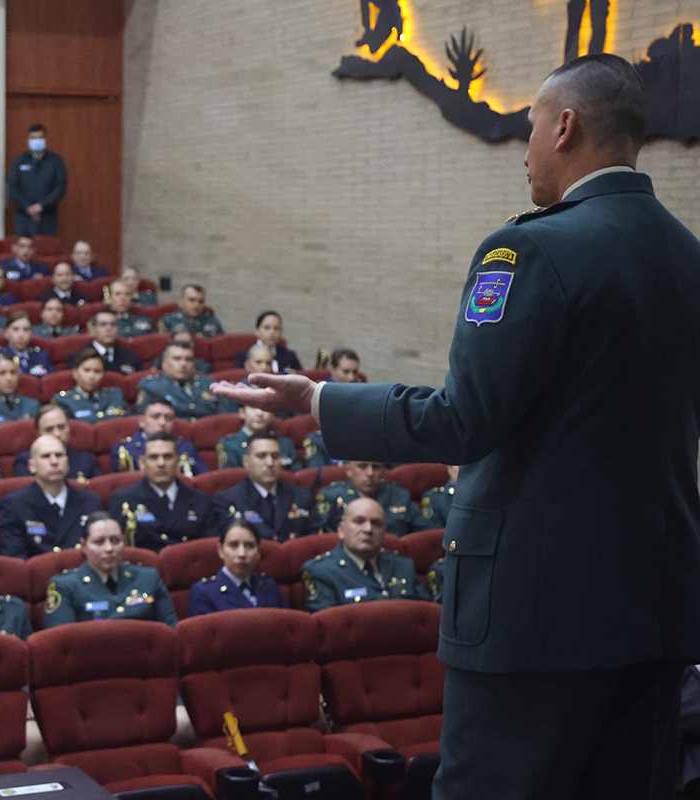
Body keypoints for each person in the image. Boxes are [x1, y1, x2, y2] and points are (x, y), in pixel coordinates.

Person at [213, 54, 700, 800]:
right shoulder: (685, 256)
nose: (526, 149)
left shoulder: (528, 248)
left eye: (530, 127)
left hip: (534, 621)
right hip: (655, 612)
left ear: (565, 125)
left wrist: (319, 402)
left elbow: (463, 419)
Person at [43, 511, 176, 627]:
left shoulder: (148, 577)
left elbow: (172, 630)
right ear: (84, 546)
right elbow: (62, 643)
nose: (109, 549)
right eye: (99, 542)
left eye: (115, 540)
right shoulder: (66, 585)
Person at [300, 497, 430, 612]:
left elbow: (426, 617)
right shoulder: (321, 571)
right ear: (341, 530)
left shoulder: (403, 565)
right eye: (359, 521)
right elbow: (327, 629)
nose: (368, 529)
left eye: (376, 523)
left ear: (384, 532)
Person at [0, 435, 103, 559]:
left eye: (59, 455)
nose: (54, 462)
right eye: (46, 456)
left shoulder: (91, 502)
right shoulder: (13, 505)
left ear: (67, 462)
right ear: (32, 465)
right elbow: (16, 561)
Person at [108, 433, 212, 551]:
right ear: (142, 463)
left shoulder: (200, 501)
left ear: (178, 461)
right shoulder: (123, 500)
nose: (161, 463)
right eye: (153, 457)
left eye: (167, 457)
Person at [209, 434, 317, 541]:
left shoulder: (301, 497)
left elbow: (313, 540)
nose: (270, 463)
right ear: (246, 462)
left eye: (275, 456)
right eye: (261, 456)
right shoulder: (227, 500)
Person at [187, 520, 286, 616]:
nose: (242, 554)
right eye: (234, 545)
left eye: (249, 546)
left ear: (259, 551)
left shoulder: (269, 586)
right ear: (221, 550)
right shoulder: (204, 592)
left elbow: (286, 626)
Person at [315, 460, 429, 535]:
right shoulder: (332, 496)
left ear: (383, 471)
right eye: (362, 466)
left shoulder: (400, 496)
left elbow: (423, 532)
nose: (370, 473)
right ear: (349, 471)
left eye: (376, 467)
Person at [110, 393, 206, 475]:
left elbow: (202, 479)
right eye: (155, 417)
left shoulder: (185, 447)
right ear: (142, 421)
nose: (162, 423)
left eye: (168, 418)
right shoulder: (125, 449)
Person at [136, 344, 235, 419]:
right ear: (164, 364)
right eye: (177, 359)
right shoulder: (152, 386)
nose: (183, 364)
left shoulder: (207, 384)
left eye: (188, 360)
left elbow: (225, 416)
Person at [7, 123, 68, 236]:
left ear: (45, 139)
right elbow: (12, 188)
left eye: (39, 137)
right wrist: (28, 206)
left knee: (46, 249)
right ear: (28, 139)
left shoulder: (56, 161)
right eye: (33, 138)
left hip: (47, 216)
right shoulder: (19, 161)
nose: (36, 140)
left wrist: (41, 205)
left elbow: (60, 188)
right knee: (24, 249)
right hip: (23, 216)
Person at [13, 404, 99, 481]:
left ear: (69, 428)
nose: (57, 434)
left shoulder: (85, 460)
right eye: (49, 429)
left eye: (61, 427)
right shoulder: (26, 461)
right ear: (38, 433)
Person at [55, 348, 129, 422]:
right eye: (86, 370)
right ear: (75, 373)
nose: (92, 376)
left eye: (97, 371)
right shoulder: (64, 401)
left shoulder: (115, 396)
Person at [217, 405, 301, 470]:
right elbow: (230, 479)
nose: (260, 413)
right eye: (253, 407)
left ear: (272, 414)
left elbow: (296, 478)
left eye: (265, 408)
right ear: (242, 413)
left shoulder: (284, 443)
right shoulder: (230, 445)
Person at [0, 311, 53, 376]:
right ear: (6, 333)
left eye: (26, 329)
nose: (21, 335)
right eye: (15, 329)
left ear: (31, 333)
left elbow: (51, 381)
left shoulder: (40, 356)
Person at [235, 311, 303, 372]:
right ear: (257, 330)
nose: (272, 332)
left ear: (281, 331)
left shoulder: (290, 357)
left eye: (276, 328)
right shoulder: (244, 356)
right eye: (267, 328)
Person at [80, 310, 142, 374]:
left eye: (113, 324)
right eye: (103, 324)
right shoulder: (79, 358)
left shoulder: (130, 358)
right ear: (93, 330)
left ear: (118, 330)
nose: (109, 328)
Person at [158, 284, 224, 337]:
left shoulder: (212, 321)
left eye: (201, 301)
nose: (196, 305)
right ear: (181, 302)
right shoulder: (168, 322)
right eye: (191, 300)